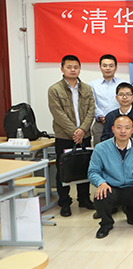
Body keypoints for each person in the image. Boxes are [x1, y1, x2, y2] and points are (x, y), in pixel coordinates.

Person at [89, 115, 133, 238]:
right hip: (112, 188)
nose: (123, 131)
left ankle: (130, 212)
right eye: (119, 127)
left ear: (132, 130)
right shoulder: (101, 148)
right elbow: (93, 172)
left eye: (127, 128)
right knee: (100, 196)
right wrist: (101, 182)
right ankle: (106, 223)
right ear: (113, 129)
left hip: (132, 187)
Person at [48, 54, 96, 217]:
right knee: (63, 169)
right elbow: (57, 113)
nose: (73, 70)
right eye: (69, 67)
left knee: (84, 166)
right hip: (64, 136)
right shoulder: (54, 90)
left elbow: (91, 110)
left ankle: (84, 199)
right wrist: (74, 132)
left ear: (79, 69)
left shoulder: (87, 89)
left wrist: (82, 130)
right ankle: (65, 202)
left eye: (76, 67)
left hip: (85, 135)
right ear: (62, 69)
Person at [89, 54, 126, 145]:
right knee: (100, 150)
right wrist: (101, 116)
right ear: (100, 67)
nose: (108, 68)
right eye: (104, 66)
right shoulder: (93, 85)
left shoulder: (123, 83)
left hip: (120, 123)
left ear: (116, 67)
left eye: (111, 66)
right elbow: (92, 103)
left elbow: (126, 102)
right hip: (100, 124)